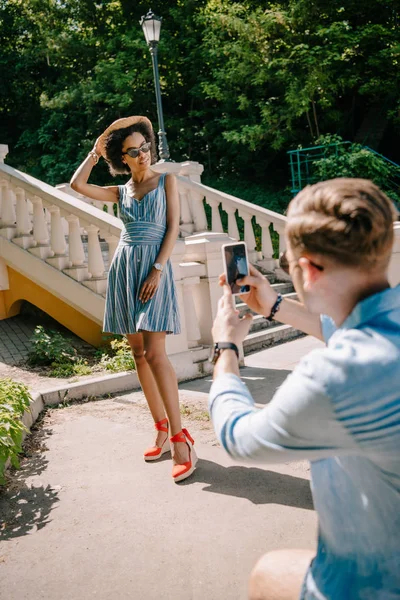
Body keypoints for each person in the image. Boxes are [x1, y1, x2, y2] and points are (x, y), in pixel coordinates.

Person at [208, 178, 400, 599]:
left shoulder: (337, 375)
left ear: (308, 270)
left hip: (374, 585)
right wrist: (275, 306)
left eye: (287, 262)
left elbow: (240, 439)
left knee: (265, 574)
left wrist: (226, 349)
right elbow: (349, 326)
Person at [70, 116, 197, 483]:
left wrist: (158, 269)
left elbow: (173, 227)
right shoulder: (119, 192)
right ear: (122, 158)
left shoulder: (166, 181)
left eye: (145, 148)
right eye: (133, 151)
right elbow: (78, 184)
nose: (143, 155)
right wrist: (95, 153)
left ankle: (180, 439)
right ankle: (159, 428)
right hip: (125, 269)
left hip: (153, 270)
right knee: (138, 353)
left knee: (157, 353)